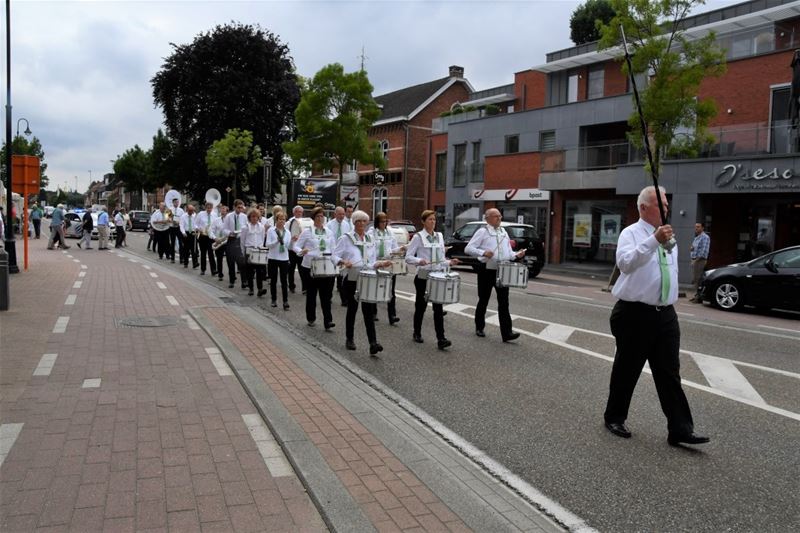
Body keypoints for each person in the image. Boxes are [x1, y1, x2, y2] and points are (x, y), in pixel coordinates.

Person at [604, 186, 709, 447]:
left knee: (669, 372)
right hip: (635, 313)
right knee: (627, 369)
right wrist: (653, 241)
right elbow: (625, 264)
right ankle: (614, 417)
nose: (666, 208)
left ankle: (680, 429)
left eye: (666, 203)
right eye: (660, 204)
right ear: (643, 208)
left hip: (665, 315)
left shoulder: (669, 236)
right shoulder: (631, 233)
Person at [334, 210, 393, 355]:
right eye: (358, 221)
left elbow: (371, 261)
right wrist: (343, 261)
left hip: (367, 277)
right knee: (352, 309)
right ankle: (349, 339)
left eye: (364, 221)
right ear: (354, 223)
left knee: (368, 311)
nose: (361, 224)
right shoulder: (346, 238)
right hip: (352, 278)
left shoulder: (370, 238)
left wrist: (380, 263)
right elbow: (334, 255)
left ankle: (373, 343)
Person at [465, 208, 524, 342]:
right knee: (484, 299)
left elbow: (508, 253)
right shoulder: (482, 232)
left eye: (500, 216)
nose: (499, 218)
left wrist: (516, 254)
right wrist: (483, 253)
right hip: (486, 269)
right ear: (488, 219)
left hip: (502, 270)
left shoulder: (503, 232)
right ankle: (479, 327)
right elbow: (468, 248)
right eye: (496, 216)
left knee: (504, 302)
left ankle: (507, 333)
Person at [405, 210, 459, 350]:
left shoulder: (439, 236)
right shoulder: (418, 237)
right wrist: (419, 260)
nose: (433, 222)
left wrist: (449, 262)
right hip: (423, 276)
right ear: (423, 222)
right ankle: (417, 332)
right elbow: (408, 257)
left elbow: (440, 259)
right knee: (421, 307)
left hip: (437, 276)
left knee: (438, 308)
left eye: (434, 219)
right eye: (430, 219)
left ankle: (441, 339)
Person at [294, 207, 338, 330]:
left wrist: (337, 261)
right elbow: (296, 246)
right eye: (318, 216)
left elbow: (333, 249)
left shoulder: (329, 232)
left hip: (326, 267)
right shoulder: (307, 232)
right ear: (313, 218)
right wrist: (302, 251)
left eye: (322, 216)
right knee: (312, 294)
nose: (320, 218)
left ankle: (328, 321)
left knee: (326, 296)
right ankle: (311, 317)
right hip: (310, 267)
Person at [370, 212, 406, 325]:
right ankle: (373, 312)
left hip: (388, 262)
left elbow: (394, 248)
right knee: (375, 288)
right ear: (377, 222)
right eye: (382, 221)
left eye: (385, 221)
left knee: (391, 290)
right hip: (377, 262)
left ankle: (392, 315)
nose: (384, 223)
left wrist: (400, 249)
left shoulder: (390, 232)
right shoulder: (371, 232)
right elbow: (369, 248)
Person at [327, 206, 353, 306]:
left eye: (343, 214)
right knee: (331, 279)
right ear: (335, 214)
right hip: (333, 254)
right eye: (340, 214)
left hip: (343, 254)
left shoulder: (346, 225)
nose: (342, 216)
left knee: (342, 278)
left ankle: (344, 300)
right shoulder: (329, 225)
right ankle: (328, 297)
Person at [265, 211, 291, 309]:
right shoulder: (271, 230)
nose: (282, 221)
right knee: (273, 280)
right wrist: (277, 241)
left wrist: (292, 242)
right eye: (280, 219)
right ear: (276, 220)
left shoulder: (287, 232)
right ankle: (274, 299)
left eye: (283, 219)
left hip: (284, 258)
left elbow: (288, 246)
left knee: (284, 281)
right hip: (273, 258)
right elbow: (268, 244)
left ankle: (285, 301)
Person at [240, 207, 267, 297]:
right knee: (250, 272)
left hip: (258, 250)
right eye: (252, 216)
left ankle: (260, 289)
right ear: (249, 217)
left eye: (256, 216)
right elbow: (242, 241)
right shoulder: (245, 228)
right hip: (249, 250)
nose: (254, 218)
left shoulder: (261, 227)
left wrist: (261, 249)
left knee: (260, 271)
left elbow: (262, 238)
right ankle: (251, 289)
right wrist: (243, 252)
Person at [224, 200, 247, 289]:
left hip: (240, 240)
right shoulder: (228, 216)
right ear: (234, 207)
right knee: (230, 261)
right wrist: (230, 233)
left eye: (241, 208)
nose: (240, 209)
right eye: (238, 207)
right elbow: (224, 229)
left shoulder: (244, 217)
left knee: (241, 262)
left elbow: (246, 228)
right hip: (231, 239)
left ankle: (244, 282)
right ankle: (232, 281)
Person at [689, 222, 710, 303]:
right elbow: (693, 248)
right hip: (695, 259)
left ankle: (699, 297)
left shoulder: (705, 237)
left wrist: (696, 260)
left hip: (700, 260)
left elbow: (704, 251)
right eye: (695, 227)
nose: (696, 228)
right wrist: (692, 249)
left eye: (698, 227)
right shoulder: (697, 237)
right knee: (695, 279)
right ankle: (696, 295)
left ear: (702, 228)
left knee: (698, 279)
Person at [287, 205, 306, 294]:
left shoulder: (305, 222)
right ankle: (291, 286)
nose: (299, 213)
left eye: (300, 212)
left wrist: (300, 238)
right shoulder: (289, 222)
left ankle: (304, 288)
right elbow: (286, 234)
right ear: (293, 212)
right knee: (291, 269)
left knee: (302, 270)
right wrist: (291, 238)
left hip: (301, 249)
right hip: (291, 249)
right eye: (297, 211)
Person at [196, 202, 218, 276]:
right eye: (208, 208)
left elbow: (216, 225)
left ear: (212, 208)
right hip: (203, 236)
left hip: (211, 236)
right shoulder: (201, 214)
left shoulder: (215, 215)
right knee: (203, 253)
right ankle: (203, 269)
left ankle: (213, 270)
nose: (209, 209)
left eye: (210, 208)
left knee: (211, 253)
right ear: (205, 208)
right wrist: (199, 229)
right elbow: (195, 224)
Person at [211, 204, 228, 281]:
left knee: (229, 259)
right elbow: (211, 230)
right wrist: (215, 238)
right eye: (222, 209)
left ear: (227, 211)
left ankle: (232, 275)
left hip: (227, 241)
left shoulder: (229, 220)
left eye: (224, 210)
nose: (222, 211)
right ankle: (220, 274)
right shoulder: (216, 220)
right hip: (219, 241)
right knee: (219, 259)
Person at [179, 204, 199, 269]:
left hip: (193, 233)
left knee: (194, 249)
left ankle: (195, 263)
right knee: (186, 249)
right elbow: (181, 225)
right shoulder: (183, 216)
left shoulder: (195, 216)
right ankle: (185, 263)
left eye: (192, 210)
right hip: (186, 233)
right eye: (190, 210)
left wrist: (197, 228)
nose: (191, 212)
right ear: (187, 210)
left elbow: (196, 224)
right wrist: (183, 233)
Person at [168, 197, 185, 263]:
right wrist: (172, 220)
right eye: (175, 202)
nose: (177, 203)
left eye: (177, 202)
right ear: (173, 203)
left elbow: (183, 219)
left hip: (178, 228)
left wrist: (179, 222)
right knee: (172, 243)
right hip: (172, 227)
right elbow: (168, 218)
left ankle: (181, 258)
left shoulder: (181, 210)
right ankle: (172, 258)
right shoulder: (169, 209)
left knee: (181, 243)